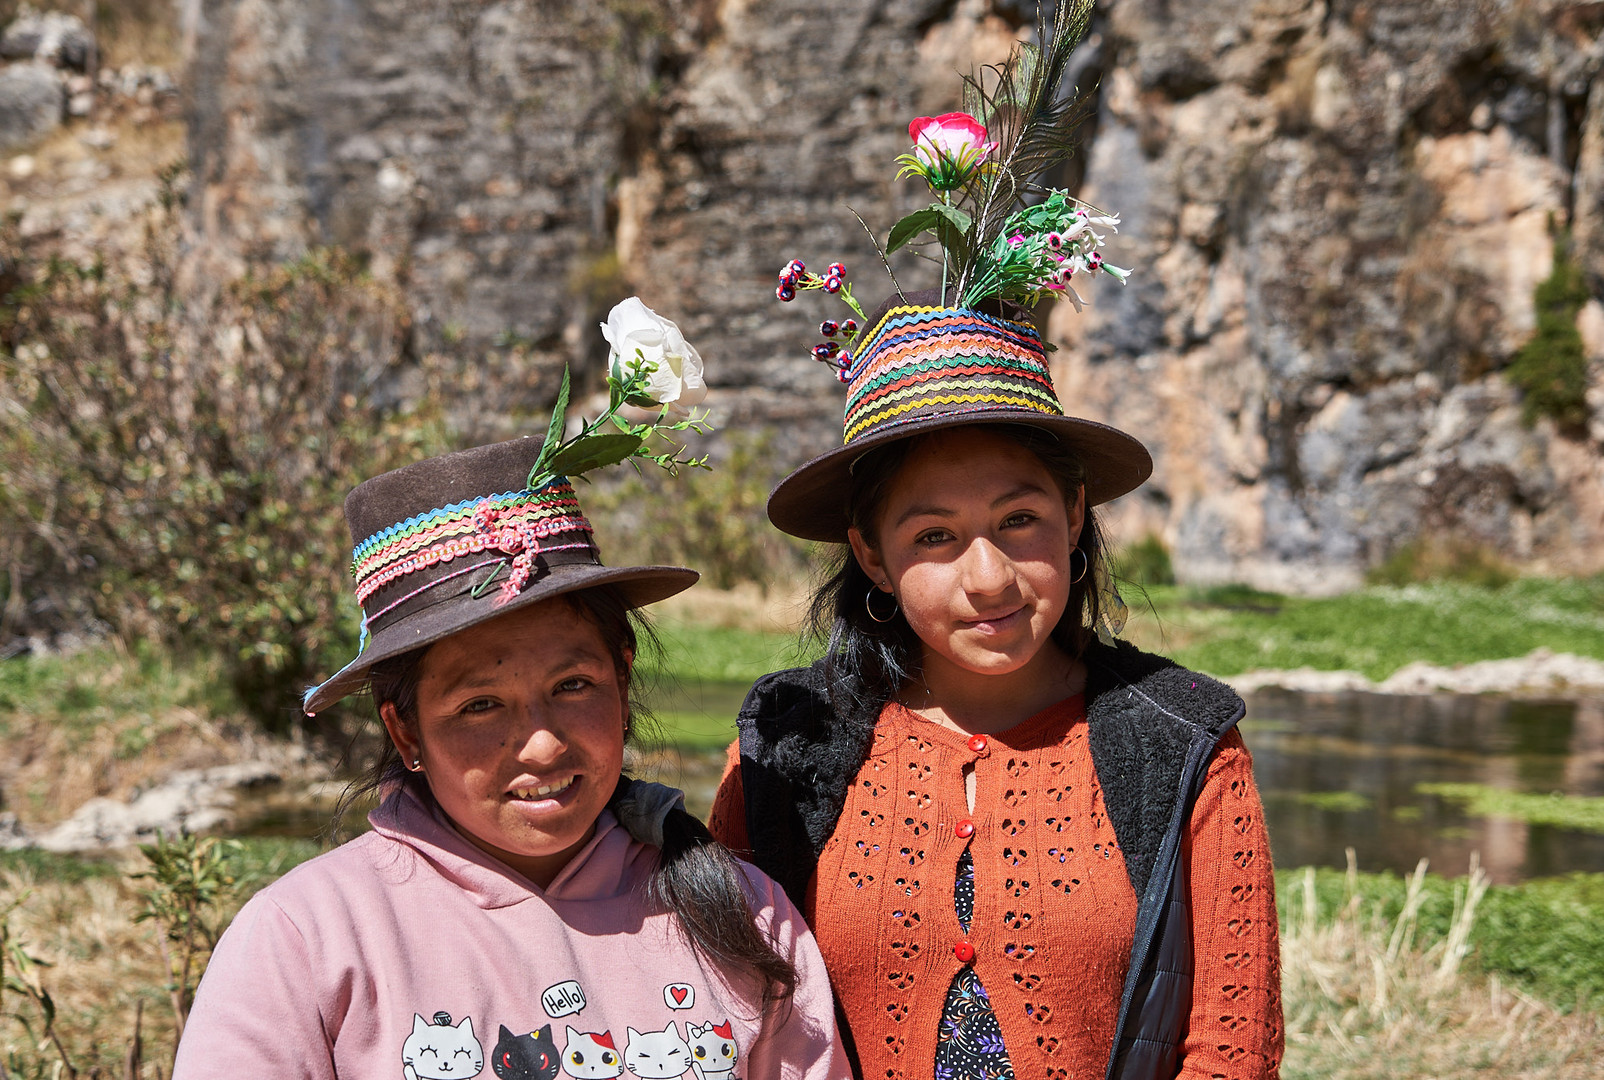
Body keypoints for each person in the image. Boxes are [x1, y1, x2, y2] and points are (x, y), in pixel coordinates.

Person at [707, 8, 1284, 1078]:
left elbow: (1228, 1047)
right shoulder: (785, 750)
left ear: (1074, 516)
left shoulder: (1185, 745)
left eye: (1020, 521)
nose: (990, 578)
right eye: (935, 535)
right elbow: (729, 1023)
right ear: (871, 557)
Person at [175, 377, 853, 1079]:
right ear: (405, 733)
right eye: (480, 706)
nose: (542, 743)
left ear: (622, 684)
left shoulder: (745, 917)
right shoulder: (306, 940)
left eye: (573, 686)